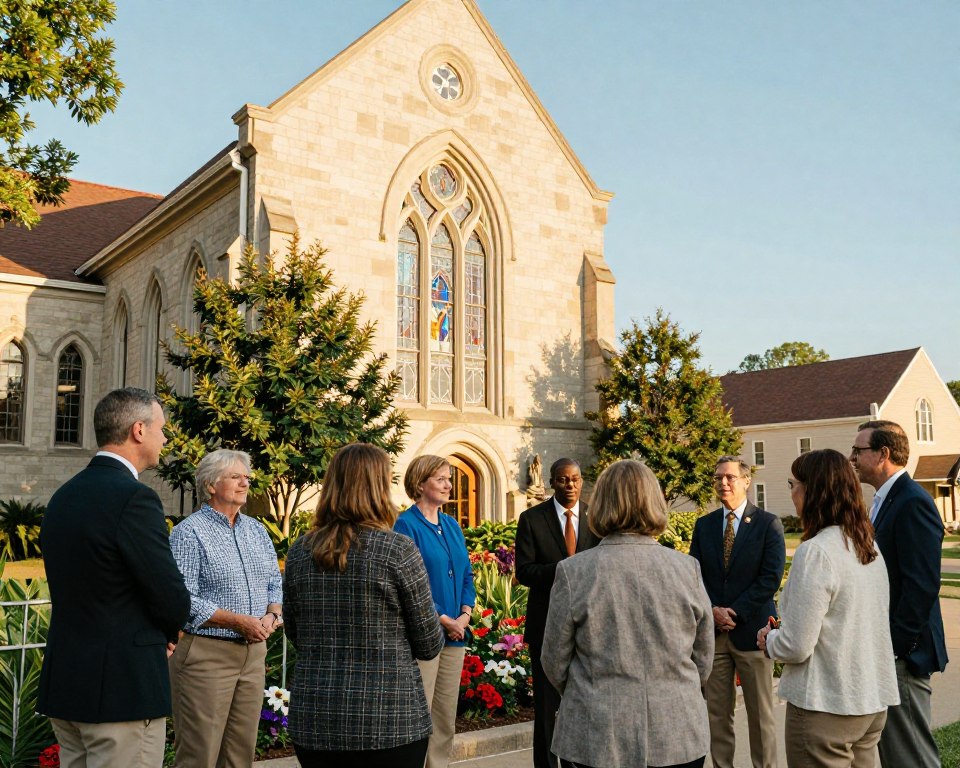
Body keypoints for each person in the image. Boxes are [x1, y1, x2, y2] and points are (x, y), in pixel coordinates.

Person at [37, 387, 190, 768]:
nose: (165, 438)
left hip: (68, 681)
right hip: (121, 689)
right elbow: (169, 593)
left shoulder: (64, 496)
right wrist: (168, 632)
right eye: (161, 429)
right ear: (139, 430)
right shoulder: (134, 498)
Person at [540, 459, 713, 768]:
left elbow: (554, 660)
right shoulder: (686, 569)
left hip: (598, 730)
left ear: (602, 503)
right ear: (654, 501)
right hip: (677, 730)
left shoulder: (575, 571)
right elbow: (703, 657)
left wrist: (592, 691)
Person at [283, 443, 443, 768]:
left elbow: (295, 633)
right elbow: (428, 643)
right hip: (389, 721)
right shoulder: (397, 550)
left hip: (317, 720)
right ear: (378, 488)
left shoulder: (301, 551)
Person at [757, 449, 899, 768]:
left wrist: (769, 641)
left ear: (813, 491)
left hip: (826, 706)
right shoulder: (867, 546)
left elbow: (796, 645)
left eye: (793, 483)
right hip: (870, 702)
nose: (791, 491)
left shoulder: (817, 552)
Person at [167, 448, 283, 767]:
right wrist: (237, 621)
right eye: (235, 477)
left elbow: (275, 580)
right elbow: (183, 598)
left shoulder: (256, 531)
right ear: (211, 485)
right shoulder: (188, 533)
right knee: (199, 754)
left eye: (246, 477)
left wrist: (273, 613)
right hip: (207, 655)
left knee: (240, 754)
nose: (244, 483)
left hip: (253, 654)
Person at [850, 420, 948, 767]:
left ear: (883, 454)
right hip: (890, 651)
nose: (852, 458)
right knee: (894, 754)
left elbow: (921, 585)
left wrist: (894, 647)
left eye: (858, 451)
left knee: (911, 756)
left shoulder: (912, 502)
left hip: (904, 654)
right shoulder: (884, 499)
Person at [689, 455, 785, 768]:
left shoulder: (768, 524)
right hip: (714, 637)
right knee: (717, 716)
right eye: (718, 478)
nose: (723, 483)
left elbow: (769, 579)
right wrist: (713, 610)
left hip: (754, 634)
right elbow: (695, 575)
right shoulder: (703, 526)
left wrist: (735, 612)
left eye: (730, 477)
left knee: (761, 717)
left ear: (746, 481)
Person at [515, 457, 601, 768]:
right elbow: (524, 572)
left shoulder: (596, 518)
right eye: (563, 480)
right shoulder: (532, 519)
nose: (570, 486)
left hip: (589, 627)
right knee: (548, 707)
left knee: (586, 705)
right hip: (547, 626)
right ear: (552, 482)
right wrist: (565, 570)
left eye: (575, 479)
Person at [393, 455, 476, 768]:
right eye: (440, 478)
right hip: (425, 635)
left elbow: (467, 574)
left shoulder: (452, 525)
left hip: (455, 635)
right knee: (420, 713)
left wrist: (465, 615)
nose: (448, 484)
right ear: (420, 483)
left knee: (444, 717)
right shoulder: (406, 524)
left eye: (449, 477)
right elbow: (411, 583)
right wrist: (443, 618)